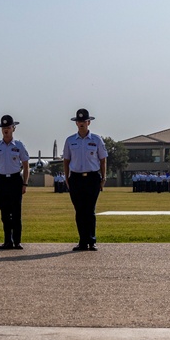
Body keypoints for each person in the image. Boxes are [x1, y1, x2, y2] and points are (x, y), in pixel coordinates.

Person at [63, 108, 107, 251]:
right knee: (79, 211)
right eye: (79, 121)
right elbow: (66, 160)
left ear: (89, 122)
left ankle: (91, 241)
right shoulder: (70, 141)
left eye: (84, 121)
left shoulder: (96, 139)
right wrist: (67, 177)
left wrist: (103, 177)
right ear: (76, 123)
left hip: (92, 178)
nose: (81, 123)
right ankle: (82, 241)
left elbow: (103, 159)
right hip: (76, 178)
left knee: (90, 210)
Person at [0, 114, 30, 250]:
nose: (5, 130)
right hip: (1, 181)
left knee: (16, 212)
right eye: (3, 127)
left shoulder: (19, 145)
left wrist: (25, 183)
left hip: (15, 180)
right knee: (5, 213)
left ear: (14, 128)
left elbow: (26, 166)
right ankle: (8, 241)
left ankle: (17, 241)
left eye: (8, 127)